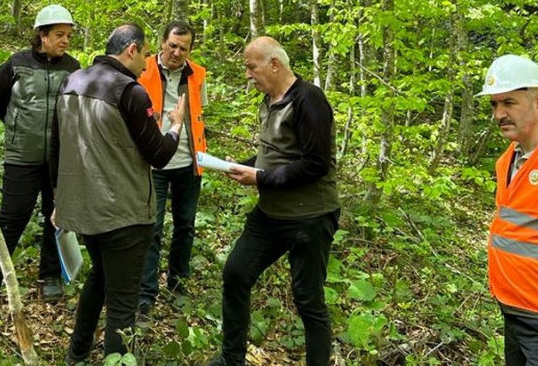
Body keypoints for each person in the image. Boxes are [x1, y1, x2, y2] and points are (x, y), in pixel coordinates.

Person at [50, 24, 186, 363]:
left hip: (85, 209)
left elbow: (56, 146)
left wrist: (58, 197)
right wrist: (176, 125)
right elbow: (159, 155)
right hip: (124, 214)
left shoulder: (72, 81)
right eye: (144, 55)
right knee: (123, 305)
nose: (145, 63)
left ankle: (76, 354)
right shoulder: (131, 91)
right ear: (131, 50)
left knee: (99, 276)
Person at [208, 37, 340, 366]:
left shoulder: (309, 100)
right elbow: (275, 154)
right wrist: (246, 165)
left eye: (252, 67)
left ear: (275, 65)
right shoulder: (268, 100)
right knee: (236, 273)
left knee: (309, 300)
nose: (248, 75)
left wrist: (261, 177)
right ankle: (232, 358)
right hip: (270, 215)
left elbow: (315, 164)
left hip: (310, 217)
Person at [0, 4, 80, 312]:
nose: (65, 41)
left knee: (56, 217)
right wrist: (18, 130)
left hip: (59, 160)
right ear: (41, 35)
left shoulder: (73, 69)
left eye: (68, 35)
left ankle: (50, 277)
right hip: (21, 157)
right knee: (10, 220)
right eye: (59, 35)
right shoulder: (16, 64)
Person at [475, 54, 538, 365]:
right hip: (514, 310)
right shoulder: (508, 158)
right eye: (494, 105)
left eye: (509, 103)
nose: (499, 114)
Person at [137, 21, 207, 314]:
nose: (177, 52)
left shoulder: (198, 74)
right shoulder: (143, 69)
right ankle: (146, 293)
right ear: (162, 43)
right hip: (154, 162)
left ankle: (178, 284)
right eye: (172, 45)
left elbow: (200, 113)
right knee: (152, 228)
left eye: (184, 48)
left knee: (185, 227)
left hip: (188, 162)